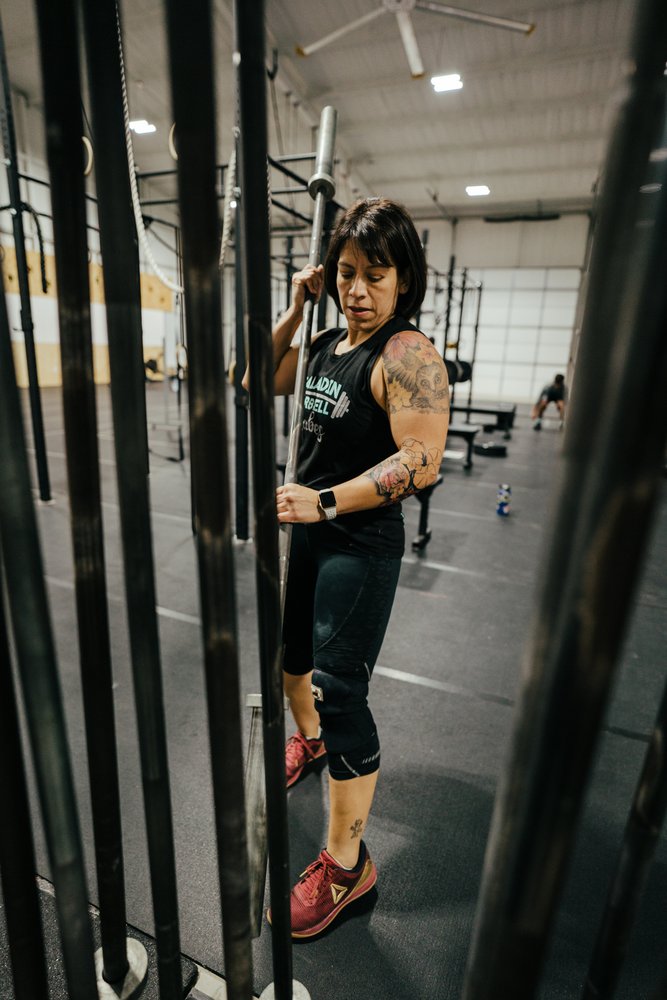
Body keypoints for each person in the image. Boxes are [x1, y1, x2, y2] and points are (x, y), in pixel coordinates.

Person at [246, 197, 449, 939]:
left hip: (358, 545)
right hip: (309, 532)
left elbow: (421, 462)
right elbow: (253, 378)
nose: (357, 290)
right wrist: (297, 308)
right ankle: (311, 742)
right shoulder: (329, 339)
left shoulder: (407, 355)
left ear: (404, 279)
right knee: (290, 663)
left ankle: (346, 865)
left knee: (339, 693)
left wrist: (325, 501)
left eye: (375, 275)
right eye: (345, 273)